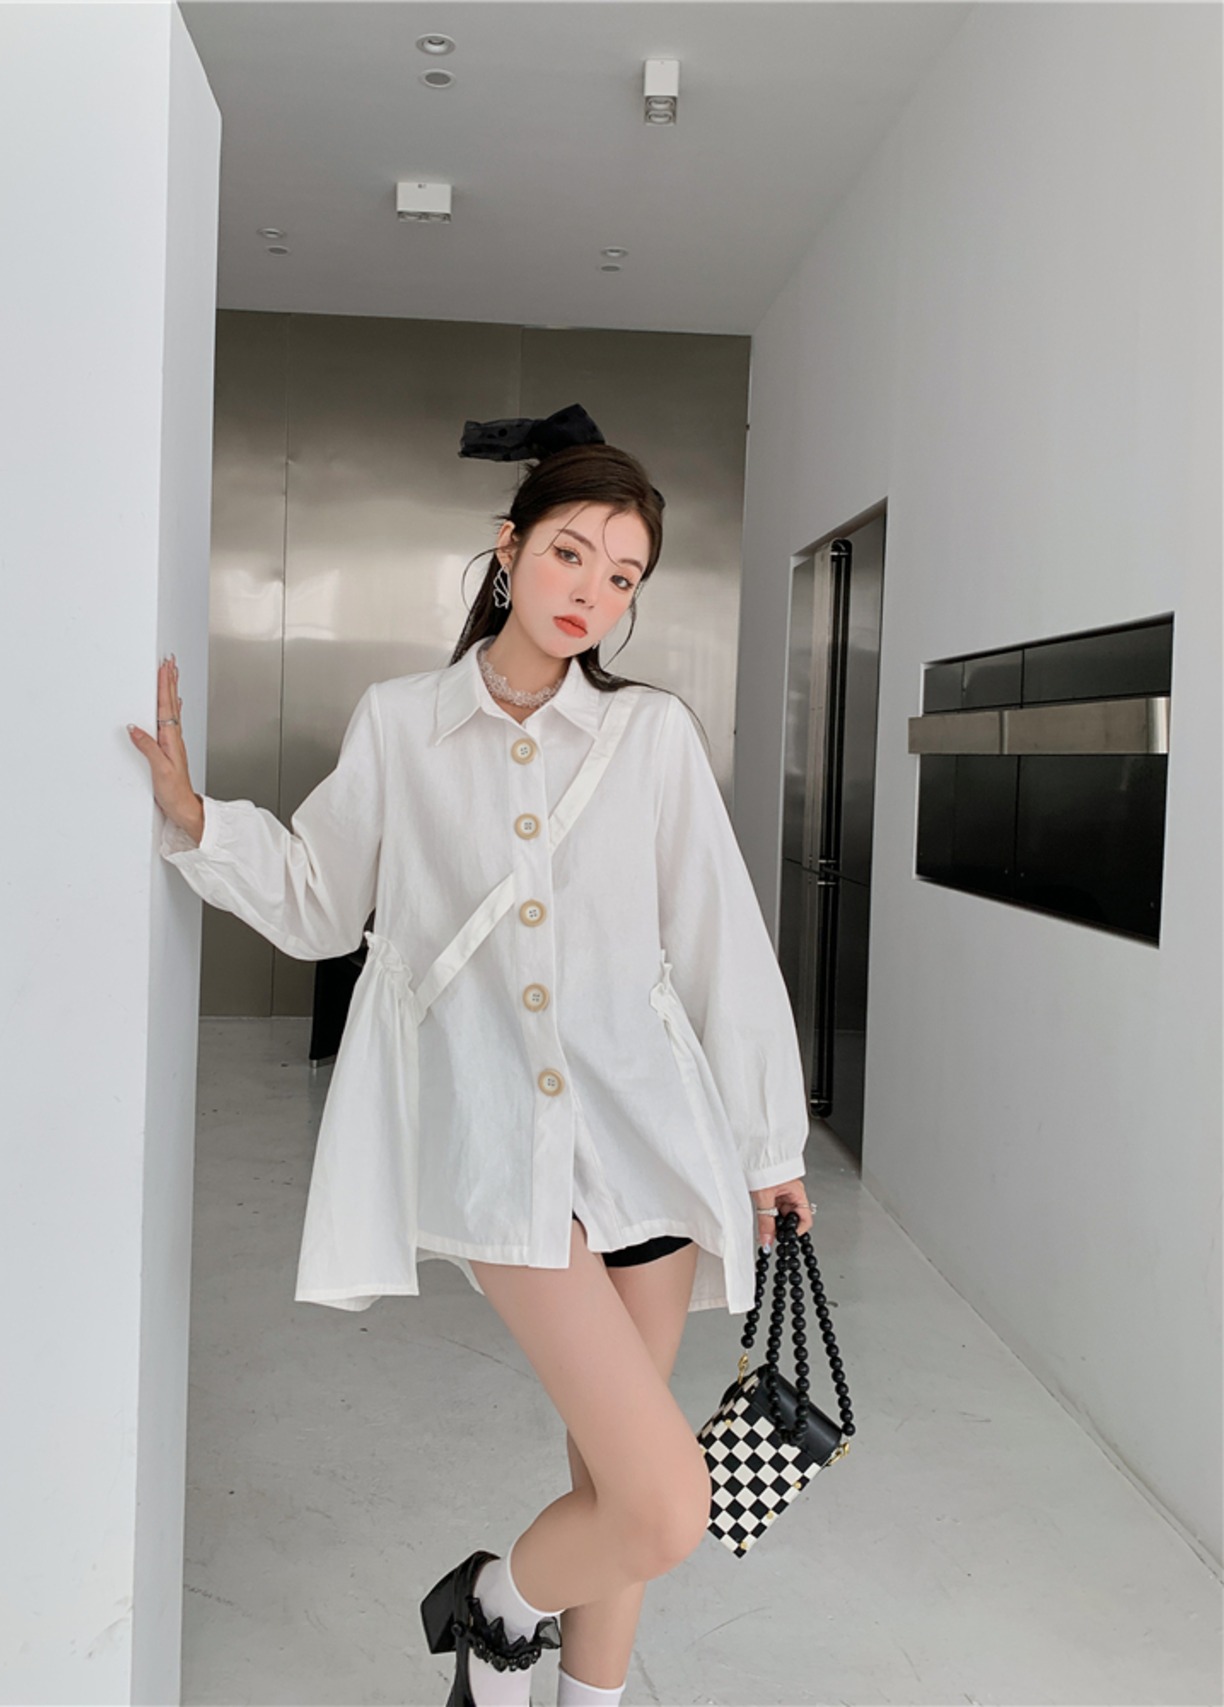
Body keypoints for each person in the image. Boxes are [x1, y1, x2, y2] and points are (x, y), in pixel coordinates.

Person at [129, 405, 813, 1707]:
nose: (592, 593)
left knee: (611, 1484)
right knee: (666, 1502)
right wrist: (200, 822)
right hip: (500, 1139)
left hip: (653, 1138)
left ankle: (554, 1680)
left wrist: (768, 1142)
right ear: (508, 549)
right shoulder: (403, 724)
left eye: (624, 578)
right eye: (570, 554)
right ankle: (496, 1607)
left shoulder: (652, 736)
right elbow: (324, 900)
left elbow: (720, 939)